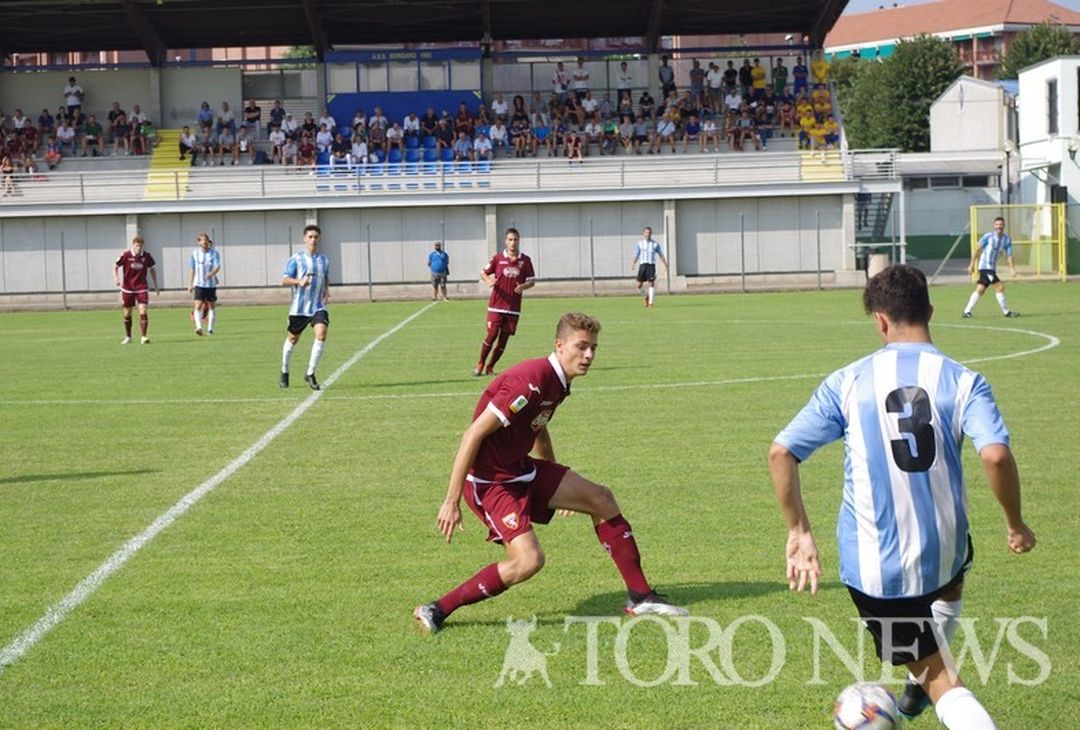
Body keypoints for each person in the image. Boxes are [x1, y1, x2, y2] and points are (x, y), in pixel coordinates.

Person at [768, 265, 1035, 729]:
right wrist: (1015, 523)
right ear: (930, 311)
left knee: (943, 680)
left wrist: (800, 532)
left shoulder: (847, 382)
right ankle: (918, 682)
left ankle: (924, 679)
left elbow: (781, 452)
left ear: (880, 321)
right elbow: (995, 456)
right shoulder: (965, 380)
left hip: (877, 569)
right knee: (951, 584)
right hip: (945, 549)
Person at [414, 312, 688, 634]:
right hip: (491, 483)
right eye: (581, 347)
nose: (588, 356)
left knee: (601, 498)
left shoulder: (558, 381)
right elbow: (472, 434)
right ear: (559, 345)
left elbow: (538, 427)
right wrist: (451, 500)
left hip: (520, 469)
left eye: (594, 348)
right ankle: (437, 608)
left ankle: (640, 597)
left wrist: (556, 481)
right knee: (528, 562)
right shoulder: (529, 382)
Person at [475, 228, 535, 376]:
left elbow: (532, 281)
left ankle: (490, 366)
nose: (512, 242)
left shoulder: (525, 260)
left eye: (515, 239)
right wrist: (489, 280)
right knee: (491, 335)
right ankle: (480, 363)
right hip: (496, 305)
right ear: (505, 241)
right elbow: (483, 272)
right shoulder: (497, 258)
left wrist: (523, 286)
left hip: (513, 307)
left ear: (518, 241)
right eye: (510, 239)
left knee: (503, 341)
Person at [279, 225, 330, 390]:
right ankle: (285, 370)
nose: (313, 240)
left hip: (318, 306)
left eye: (316, 237)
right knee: (292, 339)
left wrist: (327, 290)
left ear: (319, 239)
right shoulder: (296, 259)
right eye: (310, 237)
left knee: (321, 334)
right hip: (299, 308)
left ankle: (310, 373)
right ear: (304, 239)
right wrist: (299, 281)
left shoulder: (324, 259)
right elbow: (284, 279)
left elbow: (325, 277)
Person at [963, 216, 1020, 318]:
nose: (999, 227)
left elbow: (1009, 255)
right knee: (999, 286)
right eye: (997, 225)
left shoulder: (1007, 239)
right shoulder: (988, 237)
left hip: (992, 267)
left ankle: (966, 312)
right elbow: (977, 250)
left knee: (980, 289)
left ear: (1004, 226)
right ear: (994, 226)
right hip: (985, 266)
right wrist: (971, 264)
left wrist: (1012, 268)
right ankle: (1006, 312)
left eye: (1001, 225)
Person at [113, 235, 159, 344]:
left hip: (141, 287)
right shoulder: (126, 255)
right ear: (133, 245)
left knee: (143, 309)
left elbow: (152, 269)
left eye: (140, 246)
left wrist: (156, 284)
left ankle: (144, 336)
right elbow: (115, 266)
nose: (139, 248)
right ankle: (128, 337)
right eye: (137, 245)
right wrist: (116, 278)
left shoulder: (147, 256)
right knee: (127, 313)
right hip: (128, 288)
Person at [188, 232, 221, 336]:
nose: (204, 242)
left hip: (211, 285)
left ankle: (210, 329)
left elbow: (217, 267)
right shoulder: (195, 254)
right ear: (199, 242)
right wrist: (190, 284)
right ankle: (199, 328)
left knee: (212, 306)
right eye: (202, 240)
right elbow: (192, 269)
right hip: (199, 284)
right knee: (197, 305)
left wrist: (211, 274)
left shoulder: (214, 253)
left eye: (206, 240)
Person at [631, 226, 668, 307]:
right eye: (646, 233)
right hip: (642, 265)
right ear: (643, 233)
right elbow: (637, 254)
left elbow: (661, 255)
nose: (648, 234)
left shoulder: (655, 244)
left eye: (649, 233)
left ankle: (651, 303)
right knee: (639, 285)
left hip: (651, 265)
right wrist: (633, 263)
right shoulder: (639, 243)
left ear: (651, 234)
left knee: (651, 283)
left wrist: (665, 264)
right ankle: (645, 297)